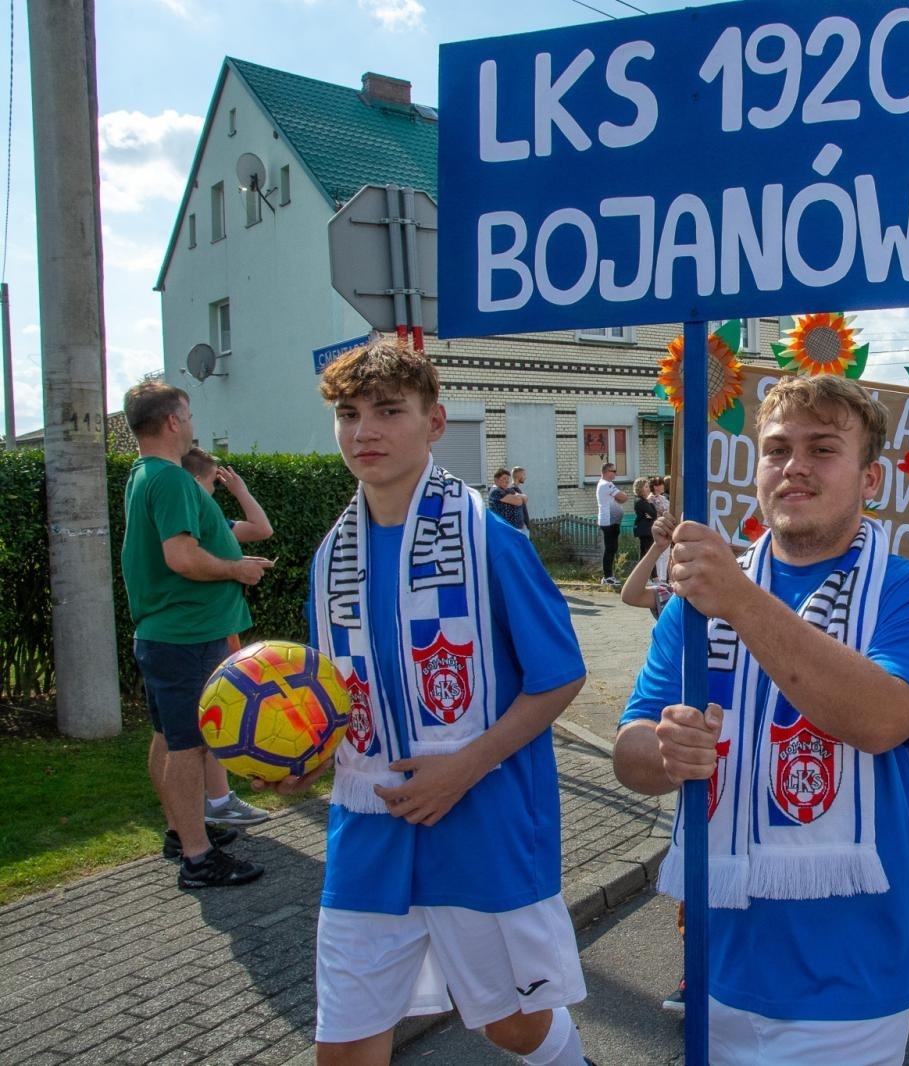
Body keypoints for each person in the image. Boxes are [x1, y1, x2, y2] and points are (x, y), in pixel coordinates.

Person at [614, 374, 909, 1063]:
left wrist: (740, 599)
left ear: (871, 479)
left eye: (823, 449)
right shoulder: (696, 600)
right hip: (713, 972)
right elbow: (630, 755)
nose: (794, 466)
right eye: (776, 450)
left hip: (849, 987)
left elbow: (880, 719)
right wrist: (665, 749)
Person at [288, 339, 591, 1065]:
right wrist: (299, 757)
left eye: (389, 411)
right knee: (344, 1046)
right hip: (369, 830)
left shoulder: (488, 538)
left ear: (433, 423)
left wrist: (464, 765)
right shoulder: (332, 557)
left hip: (482, 823)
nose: (365, 431)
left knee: (511, 1027)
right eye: (349, 413)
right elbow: (336, 700)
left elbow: (561, 675)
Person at [120, 379, 272, 888]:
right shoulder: (169, 479)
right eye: (187, 414)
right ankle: (198, 857)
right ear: (170, 422)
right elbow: (180, 557)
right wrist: (237, 571)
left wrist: (232, 561)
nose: (192, 423)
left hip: (170, 632)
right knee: (190, 744)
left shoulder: (145, 475)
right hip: (185, 634)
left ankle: (179, 832)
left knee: (169, 736)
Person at [179, 447, 275, 829]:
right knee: (211, 716)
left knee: (211, 714)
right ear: (200, 480)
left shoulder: (211, 517)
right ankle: (215, 803)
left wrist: (240, 490)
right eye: (214, 484)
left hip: (219, 627)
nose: (216, 491)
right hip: (200, 629)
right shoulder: (189, 517)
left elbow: (261, 529)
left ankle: (217, 801)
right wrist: (236, 570)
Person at [596, 461, 628, 586]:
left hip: (613, 521)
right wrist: (618, 497)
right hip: (608, 521)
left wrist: (618, 497)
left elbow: (622, 498)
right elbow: (623, 497)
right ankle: (607, 577)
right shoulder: (606, 485)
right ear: (606, 472)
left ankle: (610, 575)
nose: (615, 473)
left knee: (613, 548)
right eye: (613, 471)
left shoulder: (609, 484)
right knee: (610, 549)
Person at [630, 475, 659, 577]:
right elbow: (653, 514)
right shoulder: (640, 501)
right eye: (646, 487)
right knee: (648, 554)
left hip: (646, 529)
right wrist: (650, 503)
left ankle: (644, 576)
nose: (648, 489)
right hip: (645, 531)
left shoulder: (643, 501)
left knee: (644, 554)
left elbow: (651, 515)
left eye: (648, 486)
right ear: (640, 488)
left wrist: (650, 514)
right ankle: (652, 577)